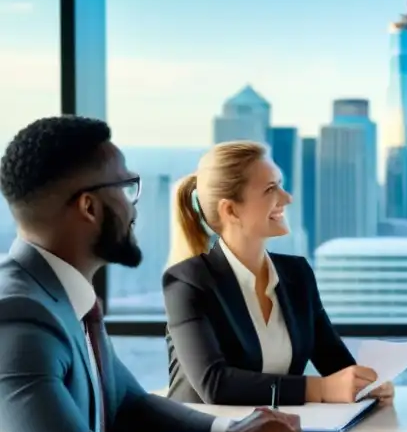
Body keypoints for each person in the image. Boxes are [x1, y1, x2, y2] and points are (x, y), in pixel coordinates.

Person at [0, 116, 300, 432]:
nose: (134, 205)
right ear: (89, 207)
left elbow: (128, 406)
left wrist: (234, 430)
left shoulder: (64, 296)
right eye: (126, 188)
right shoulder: (15, 314)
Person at [163, 141, 394, 407]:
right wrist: (319, 389)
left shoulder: (297, 274)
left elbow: (335, 365)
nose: (287, 198)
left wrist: (367, 384)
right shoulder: (187, 282)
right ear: (230, 210)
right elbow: (215, 384)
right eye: (271, 189)